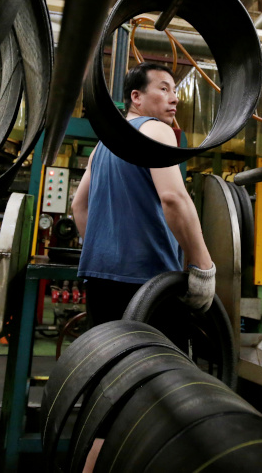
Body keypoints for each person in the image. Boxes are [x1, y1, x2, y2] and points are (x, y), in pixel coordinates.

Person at [71, 62, 216, 326]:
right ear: (136, 97)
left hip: (100, 281)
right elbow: (173, 198)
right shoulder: (157, 129)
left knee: (109, 364)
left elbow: (78, 207)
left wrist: (108, 253)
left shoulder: (102, 146)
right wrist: (202, 266)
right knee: (154, 366)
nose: (175, 98)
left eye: (174, 90)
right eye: (163, 89)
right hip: (148, 283)